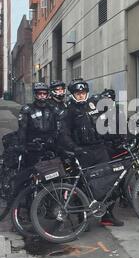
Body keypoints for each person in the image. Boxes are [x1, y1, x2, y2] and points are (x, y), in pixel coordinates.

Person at [60, 79, 123, 227]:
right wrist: (75, 149)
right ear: (73, 94)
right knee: (83, 187)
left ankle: (107, 215)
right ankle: (82, 220)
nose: (81, 96)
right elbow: (64, 135)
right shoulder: (68, 111)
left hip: (100, 149)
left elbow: (107, 122)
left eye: (83, 93)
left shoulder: (95, 105)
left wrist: (118, 136)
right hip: (83, 152)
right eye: (78, 93)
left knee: (109, 183)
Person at [18, 83, 63, 167]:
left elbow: (59, 128)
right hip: (32, 146)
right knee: (32, 170)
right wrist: (22, 145)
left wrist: (57, 141)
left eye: (44, 93)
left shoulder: (53, 109)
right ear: (35, 94)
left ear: (47, 95)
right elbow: (22, 129)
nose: (42, 96)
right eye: (39, 93)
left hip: (50, 145)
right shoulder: (27, 109)